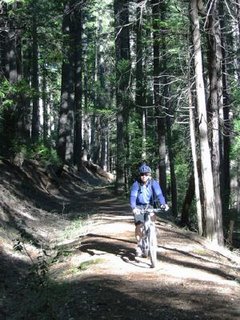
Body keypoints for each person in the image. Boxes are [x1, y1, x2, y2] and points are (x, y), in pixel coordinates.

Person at [130, 163, 169, 257]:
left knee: (152, 219)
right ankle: (139, 244)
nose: (144, 176)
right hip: (139, 206)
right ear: (140, 175)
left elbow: (159, 194)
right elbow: (133, 196)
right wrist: (134, 208)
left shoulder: (153, 183)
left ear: (149, 175)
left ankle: (152, 236)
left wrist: (164, 204)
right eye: (142, 174)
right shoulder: (136, 184)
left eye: (146, 174)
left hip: (149, 205)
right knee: (139, 225)